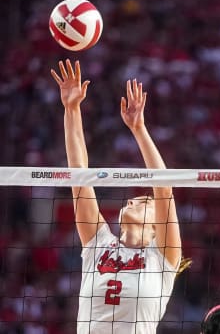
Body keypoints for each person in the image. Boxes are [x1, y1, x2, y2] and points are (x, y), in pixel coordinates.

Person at [51, 59, 189, 333]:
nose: (132, 200)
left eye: (142, 201)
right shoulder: (98, 243)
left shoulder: (162, 259)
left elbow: (163, 188)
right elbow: (79, 176)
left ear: (155, 228)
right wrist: (71, 109)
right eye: (135, 199)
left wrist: (139, 129)